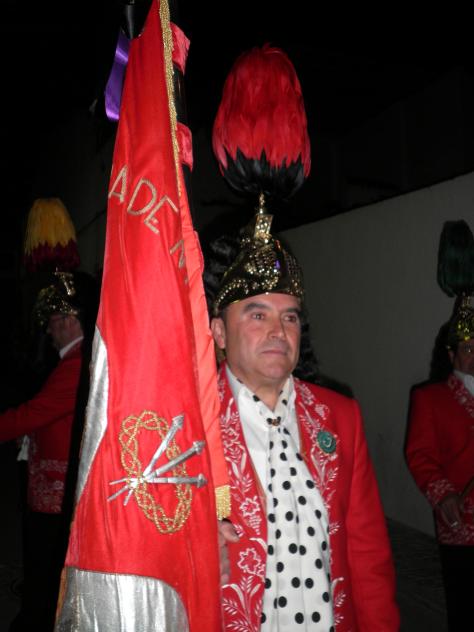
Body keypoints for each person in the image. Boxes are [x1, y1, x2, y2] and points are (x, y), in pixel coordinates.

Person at [207, 205, 400, 631]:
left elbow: (368, 554)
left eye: (289, 317)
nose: (278, 331)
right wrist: (187, 544)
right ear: (219, 332)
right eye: (258, 314)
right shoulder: (187, 426)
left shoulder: (340, 417)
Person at [0, 269, 98, 631]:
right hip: (52, 489)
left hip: (56, 495)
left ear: (70, 322)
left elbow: (33, 413)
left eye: (54, 321)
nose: (49, 330)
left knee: (46, 567)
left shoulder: (75, 366)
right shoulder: (71, 363)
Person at [405, 299, 474, 631]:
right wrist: (444, 496)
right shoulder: (430, 398)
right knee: (465, 604)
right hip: (461, 517)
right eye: (468, 348)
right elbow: (420, 455)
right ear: (451, 354)